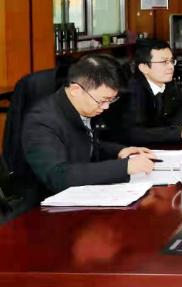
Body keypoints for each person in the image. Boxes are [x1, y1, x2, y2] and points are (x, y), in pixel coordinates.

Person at [22, 54, 157, 195]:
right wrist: (124, 167)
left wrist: (119, 151)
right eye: (102, 100)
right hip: (46, 202)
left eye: (111, 100)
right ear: (76, 90)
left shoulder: (81, 106)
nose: (106, 107)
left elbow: (85, 145)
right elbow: (58, 176)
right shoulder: (41, 121)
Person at [107, 39, 182, 146]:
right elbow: (134, 134)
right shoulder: (133, 92)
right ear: (144, 68)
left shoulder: (168, 84)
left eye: (171, 61)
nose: (171, 66)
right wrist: (180, 132)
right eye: (164, 62)